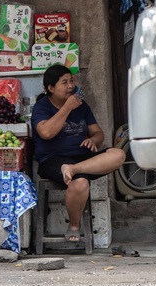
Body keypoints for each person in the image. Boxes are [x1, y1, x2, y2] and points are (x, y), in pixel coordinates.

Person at [31, 64, 125, 242]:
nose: (70, 86)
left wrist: (94, 140)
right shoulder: (42, 107)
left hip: (81, 158)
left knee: (118, 155)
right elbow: (46, 132)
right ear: (51, 88)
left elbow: (98, 133)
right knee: (80, 183)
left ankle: (73, 168)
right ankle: (74, 226)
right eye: (64, 82)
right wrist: (67, 108)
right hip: (53, 159)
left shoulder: (82, 106)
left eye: (72, 81)